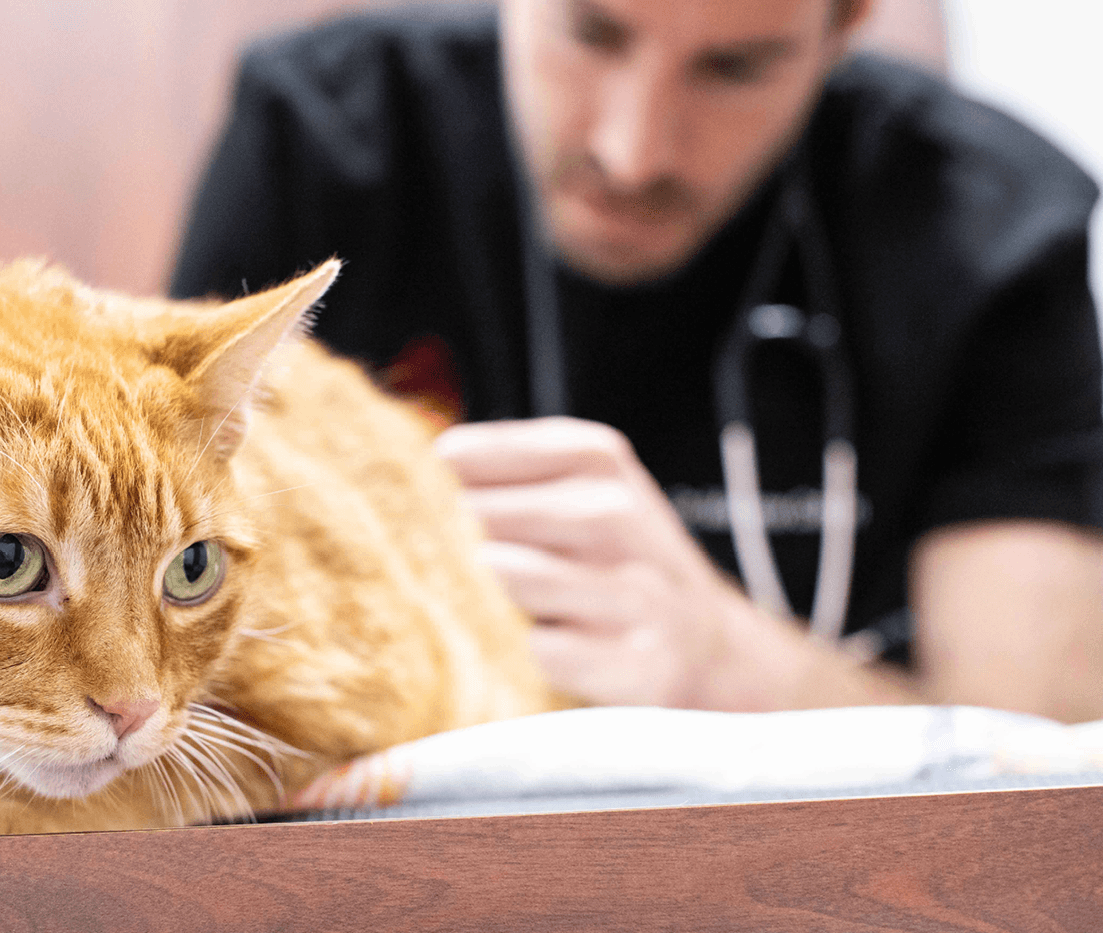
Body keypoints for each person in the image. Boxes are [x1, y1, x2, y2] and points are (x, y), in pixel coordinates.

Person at [170, 0, 1103, 722]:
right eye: (593, 30)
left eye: (735, 68)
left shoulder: (991, 227)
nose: (633, 151)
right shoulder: (320, 137)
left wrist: (742, 669)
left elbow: (1036, 769)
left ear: (845, 26)